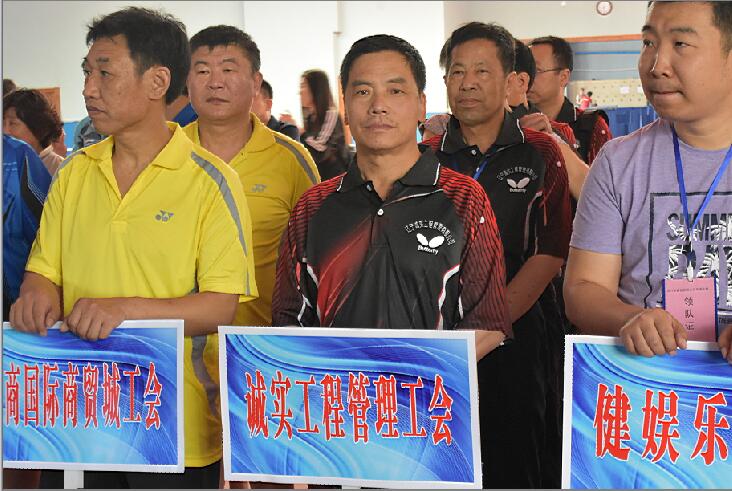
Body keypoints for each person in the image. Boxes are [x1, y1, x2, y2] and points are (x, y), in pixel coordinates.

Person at [9, 7, 257, 488]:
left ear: (157, 81)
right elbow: (43, 270)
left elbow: (220, 306)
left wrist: (123, 309)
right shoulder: (75, 173)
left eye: (105, 72)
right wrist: (36, 293)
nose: (88, 89)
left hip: (172, 423)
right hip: (78, 416)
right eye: (87, 72)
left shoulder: (210, 182)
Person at [273, 32, 509, 359]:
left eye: (395, 91)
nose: (378, 106)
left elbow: (488, 322)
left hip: (429, 388)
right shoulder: (313, 207)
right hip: (338, 388)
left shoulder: (464, 199)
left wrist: (409, 376)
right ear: (345, 106)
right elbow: (287, 319)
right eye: (363, 91)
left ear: (421, 105)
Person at [422, 22, 572, 488]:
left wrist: (489, 323)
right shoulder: (424, 157)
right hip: (437, 337)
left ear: (509, 80)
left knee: (516, 459)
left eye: (481, 71)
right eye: (457, 71)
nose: (467, 83)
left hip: (518, 332)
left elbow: (550, 252)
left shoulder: (541, 152)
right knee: (441, 458)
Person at [564, 1, 732, 364]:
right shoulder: (619, 162)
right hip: (646, 384)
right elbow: (583, 290)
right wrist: (629, 319)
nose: (656, 66)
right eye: (649, 43)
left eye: (680, 44)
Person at [528, 35, 612, 165]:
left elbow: (604, 176)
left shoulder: (591, 127)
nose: (527, 78)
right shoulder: (515, 123)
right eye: (525, 70)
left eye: (536, 70)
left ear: (563, 77)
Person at [281, 69, 349, 180]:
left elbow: (320, 148)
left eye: (303, 86)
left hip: (334, 179)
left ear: (315, 89)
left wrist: (299, 130)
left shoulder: (331, 114)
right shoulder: (310, 118)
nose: (300, 92)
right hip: (318, 178)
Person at [3, 88, 65, 174]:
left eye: (12, 123)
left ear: (36, 127)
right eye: (2, 123)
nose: (5, 131)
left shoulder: (58, 167)